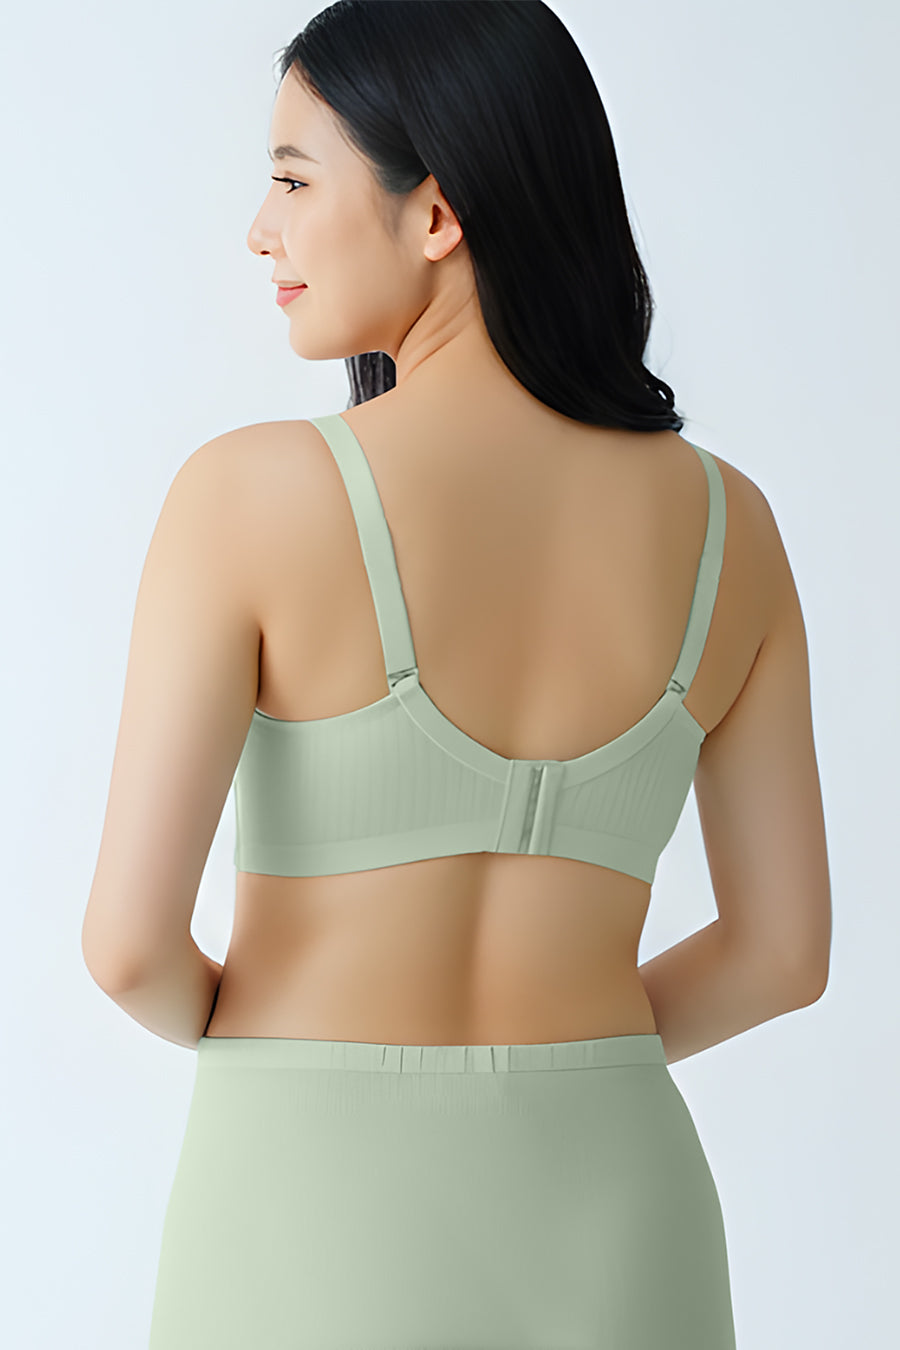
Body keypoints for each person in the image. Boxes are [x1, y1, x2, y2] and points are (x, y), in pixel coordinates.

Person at [81, 2, 832, 1346]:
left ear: (436, 213)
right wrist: (578, 1051)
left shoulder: (250, 497)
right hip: (621, 1209)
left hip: (308, 1209)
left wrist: (277, 1048)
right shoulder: (734, 527)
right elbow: (782, 954)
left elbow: (129, 947)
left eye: (293, 181)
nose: (260, 231)